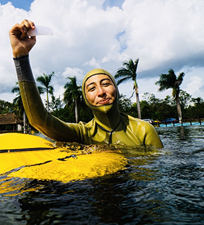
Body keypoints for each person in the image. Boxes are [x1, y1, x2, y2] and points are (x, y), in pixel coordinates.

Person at [9, 19, 163, 149]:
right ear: (85, 98)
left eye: (105, 84)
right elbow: (40, 121)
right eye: (92, 88)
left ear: (116, 89)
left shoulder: (143, 130)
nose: (101, 92)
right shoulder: (82, 134)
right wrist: (21, 56)